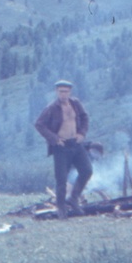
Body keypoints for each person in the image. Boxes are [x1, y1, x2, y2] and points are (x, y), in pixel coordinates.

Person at [34, 79, 93, 218]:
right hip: (61, 147)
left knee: (87, 171)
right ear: (57, 92)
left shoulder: (75, 104)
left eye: (66, 91)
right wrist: (54, 139)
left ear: (70, 92)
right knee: (61, 179)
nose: (63, 94)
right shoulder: (51, 108)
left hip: (76, 144)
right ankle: (61, 208)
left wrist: (82, 133)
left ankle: (73, 198)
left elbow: (85, 118)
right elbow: (39, 124)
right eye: (61, 91)